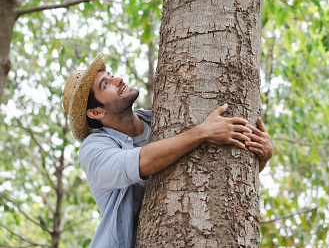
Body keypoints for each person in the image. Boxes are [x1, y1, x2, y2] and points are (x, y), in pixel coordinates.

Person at [62, 52, 273, 248]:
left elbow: (208, 167)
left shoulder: (162, 120)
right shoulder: (93, 149)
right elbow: (141, 163)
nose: (118, 80)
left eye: (111, 75)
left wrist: (259, 158)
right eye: (106, 84)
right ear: (96, 112)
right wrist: (202, 132)